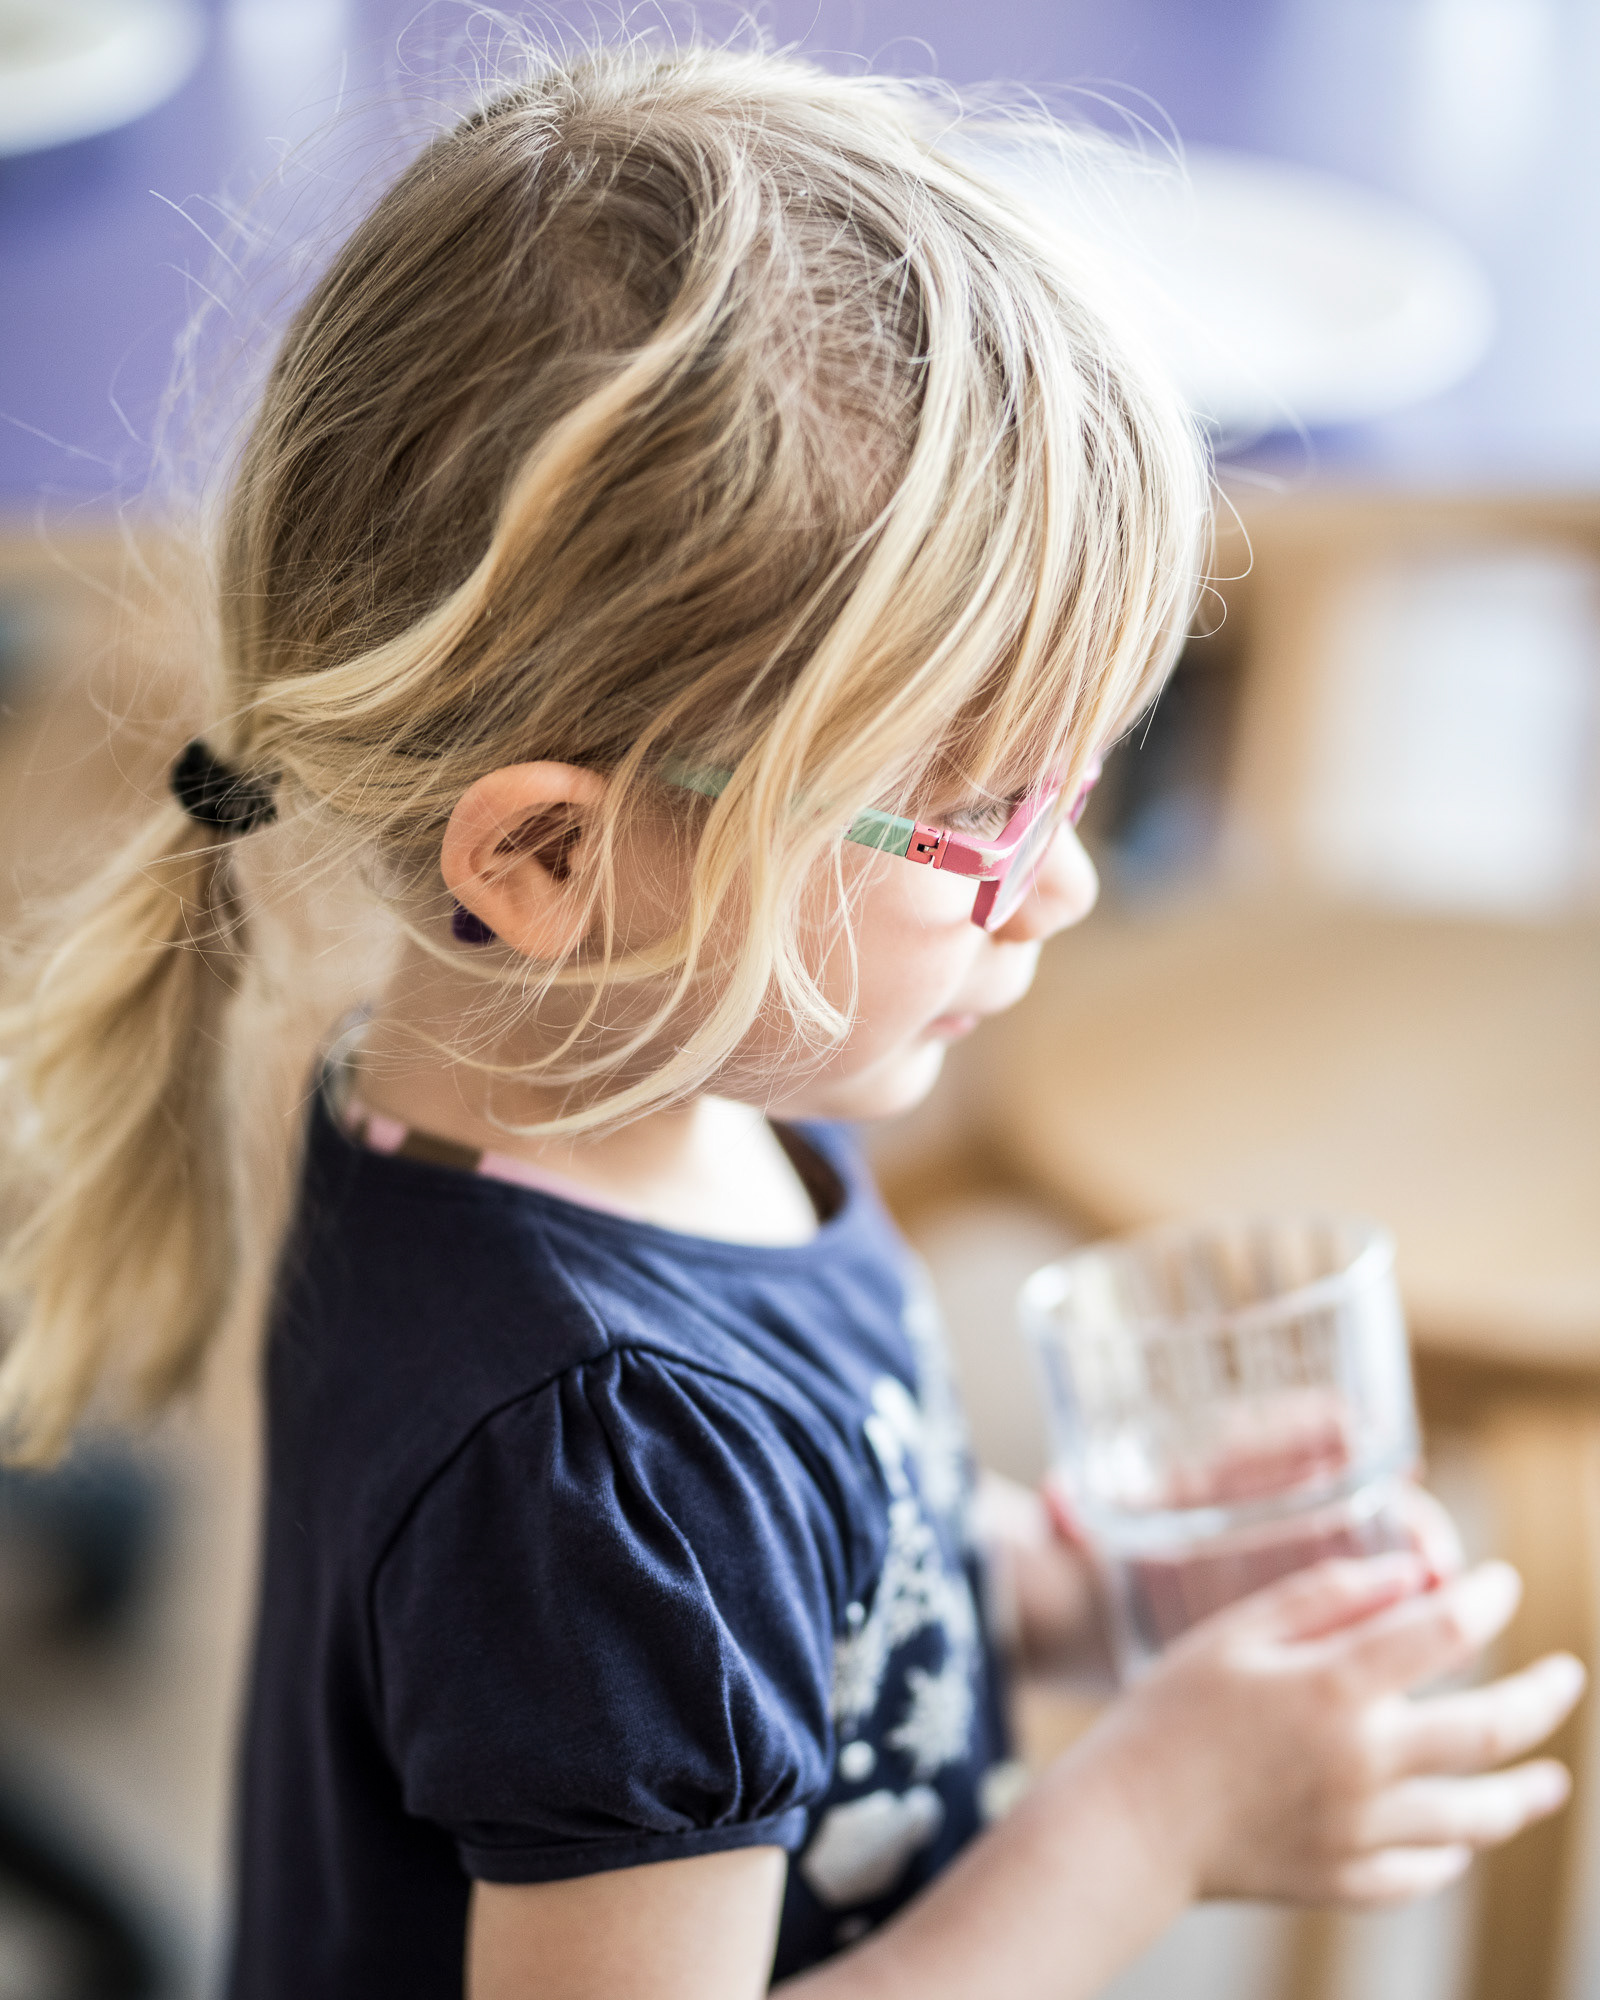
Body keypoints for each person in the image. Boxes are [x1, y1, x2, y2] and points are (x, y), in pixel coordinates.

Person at [0, 39, 1583, 2000]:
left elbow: (815, 1608)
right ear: (551, 861)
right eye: (979, 819)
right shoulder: (603, 1455)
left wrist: (1075, 1588)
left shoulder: (643, 1094)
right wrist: (1146, 1815)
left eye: (1083, 787)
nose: (1063, 885)